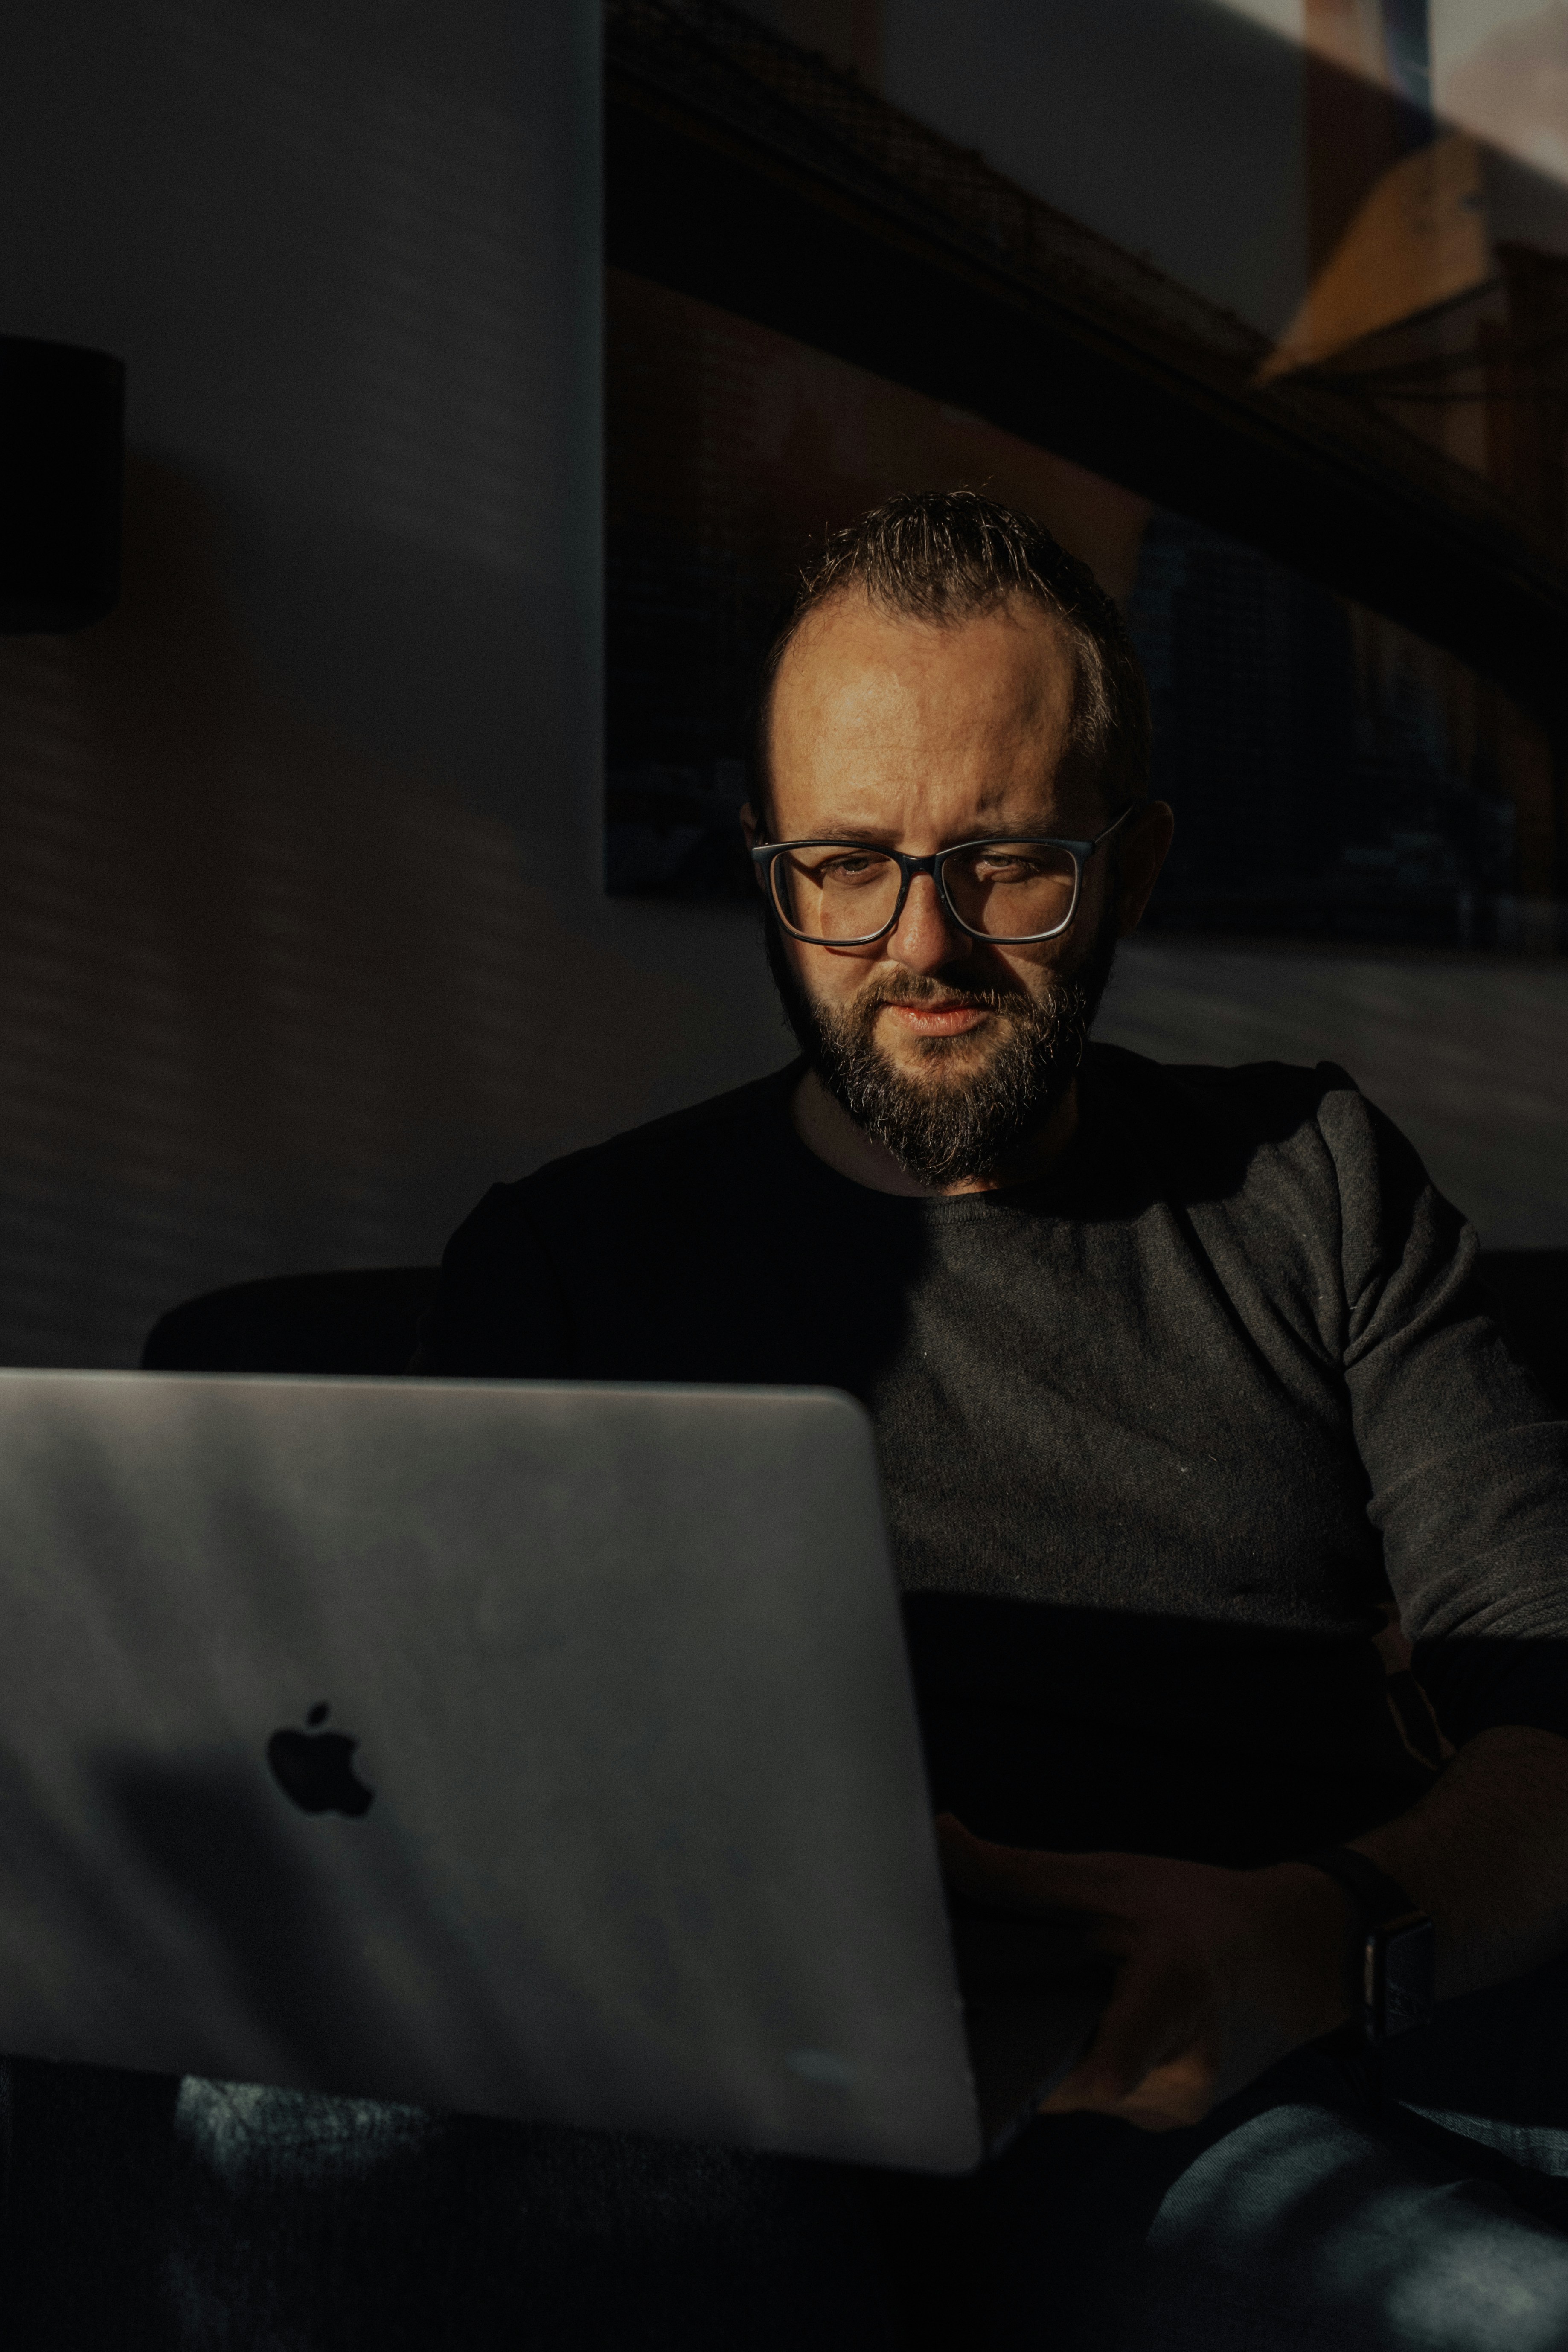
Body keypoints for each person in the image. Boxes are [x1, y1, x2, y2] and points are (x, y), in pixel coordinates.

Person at [408, 490, 1568, 2348]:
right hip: (942, 2109)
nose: (920, 943)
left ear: (1134, 865)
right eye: (845, 863)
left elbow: (1557, 1707)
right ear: (772, 870)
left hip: (1356, 1982)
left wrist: (1323, 1927)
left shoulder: (1313, 1176)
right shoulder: (570, 1261)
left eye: (1007, 859)